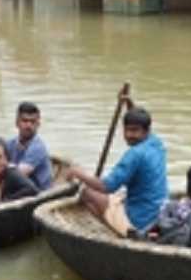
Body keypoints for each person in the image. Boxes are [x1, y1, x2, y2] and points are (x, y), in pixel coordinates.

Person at [68, 92, 168, 237]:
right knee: (117, 194)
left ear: (146, 131)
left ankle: (121, 231)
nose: (129, 135)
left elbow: (106, 187)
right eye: (127, 130)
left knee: (86, 193)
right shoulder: (156, 143)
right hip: (158, 211)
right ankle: (117, 219)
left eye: (134, 131)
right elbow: (137, 121)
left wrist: (78, 173)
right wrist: (129, 103)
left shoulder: (134, 155)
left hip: (139, 219)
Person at [4, 101, 52, 191]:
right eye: (25, 121)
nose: (28, 125)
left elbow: (19, 175)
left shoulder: (38, 147)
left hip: (37, 191)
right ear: (17, 123)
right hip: (20, 188)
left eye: (32, 122)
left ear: (38, 124)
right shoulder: (10, 143)